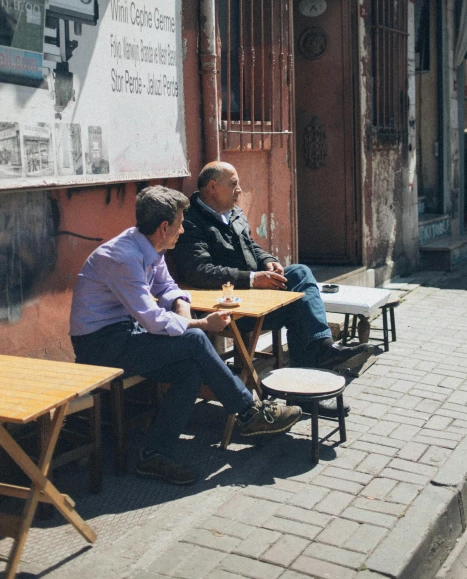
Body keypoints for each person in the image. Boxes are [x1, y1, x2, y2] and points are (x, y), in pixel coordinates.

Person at [70, 186, 301, 486]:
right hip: (99, 345)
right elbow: (152, 321)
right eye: (180, 223)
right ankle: (249, 413)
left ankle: (153, 455)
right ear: (164, 227)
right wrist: (202, 325)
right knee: (193, 341)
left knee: (189, 368)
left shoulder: (149, 247)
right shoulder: (123, 257)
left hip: (125, 335)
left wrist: (183, 309)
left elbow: (168, 289)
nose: (182, 230)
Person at [170, 162, 375, 413]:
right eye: (234, 184)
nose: (240, 190)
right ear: (213, 186)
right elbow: (198, 270)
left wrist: (268, 260)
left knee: (299, 274)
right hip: (229, 308)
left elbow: (251, 247)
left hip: (257, 296)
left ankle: (320, 349)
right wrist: (253, 278)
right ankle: (310, 382)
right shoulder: (191, 221)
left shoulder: (233, 212)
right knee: (301, 310)